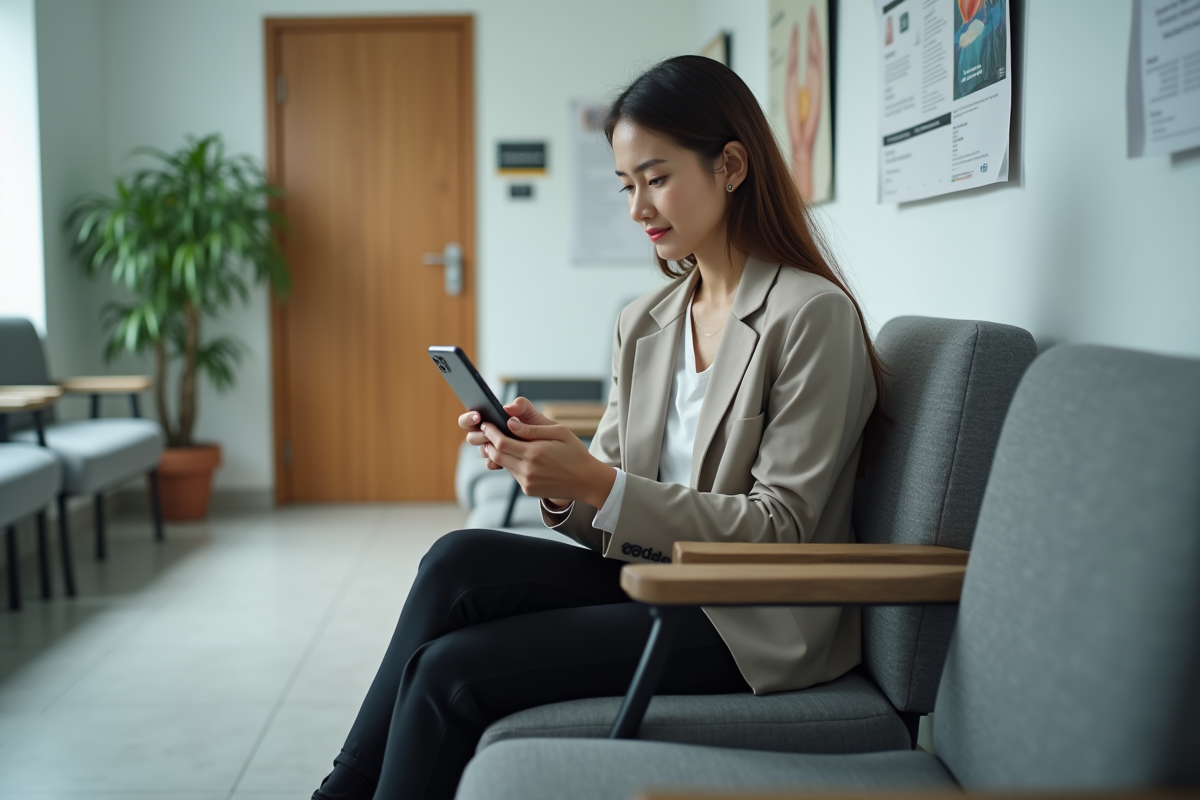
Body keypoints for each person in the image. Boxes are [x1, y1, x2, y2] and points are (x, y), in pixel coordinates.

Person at [312, 54, 884, 800]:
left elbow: (783, 533)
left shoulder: (810, 316)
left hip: (747, 621)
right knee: (455, 560)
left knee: (447, 672)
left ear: (732, 165)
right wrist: (551, 474)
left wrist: (597, 481)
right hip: (647, 577)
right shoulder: (643, 322)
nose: (639, 209)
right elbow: (608, 509)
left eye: (656, 178)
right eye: (626, 186)